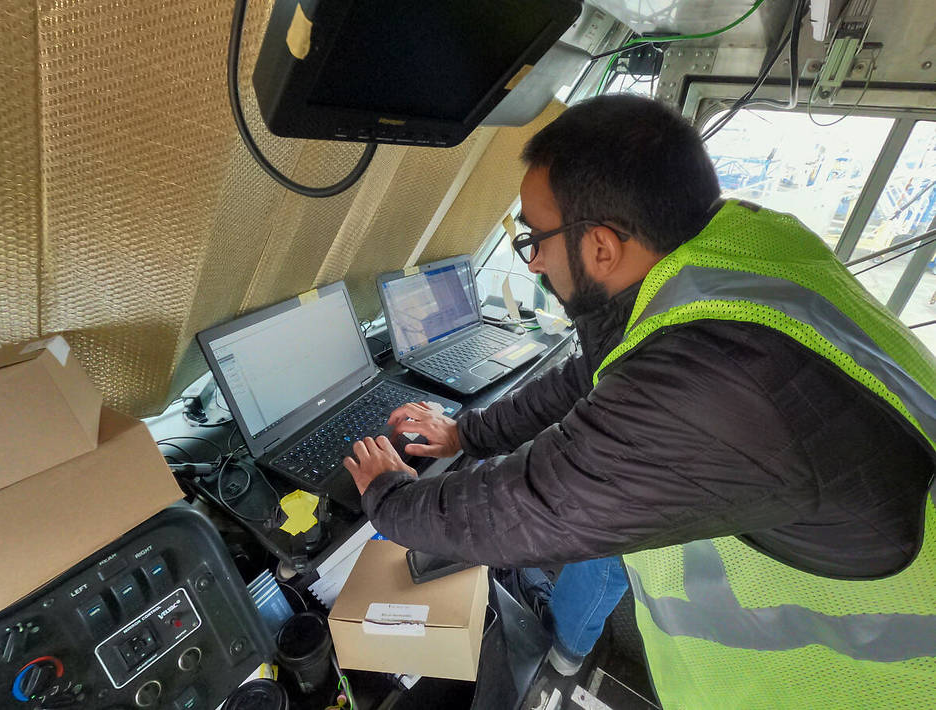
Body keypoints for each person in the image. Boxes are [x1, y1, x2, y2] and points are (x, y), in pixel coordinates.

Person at [343, 94, 936, 708]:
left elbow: (532, 509)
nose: (537, 259)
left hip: (863, 683)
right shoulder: (739, 253)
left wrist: (389, 497)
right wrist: (469, 434)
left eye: (535, 239)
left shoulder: (713, 378)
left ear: (601, 247)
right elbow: (593, 372)